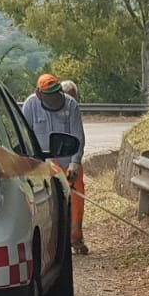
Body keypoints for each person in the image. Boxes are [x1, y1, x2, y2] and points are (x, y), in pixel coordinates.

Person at [59, 80, 88, 254]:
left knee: (77, 202)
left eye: (72, 96)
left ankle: (76, 238)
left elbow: (79, 137)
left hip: (70, 163)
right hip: (50, 165)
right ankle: (60, 243)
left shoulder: (72, 107)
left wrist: (74, 164)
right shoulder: (35, 105)